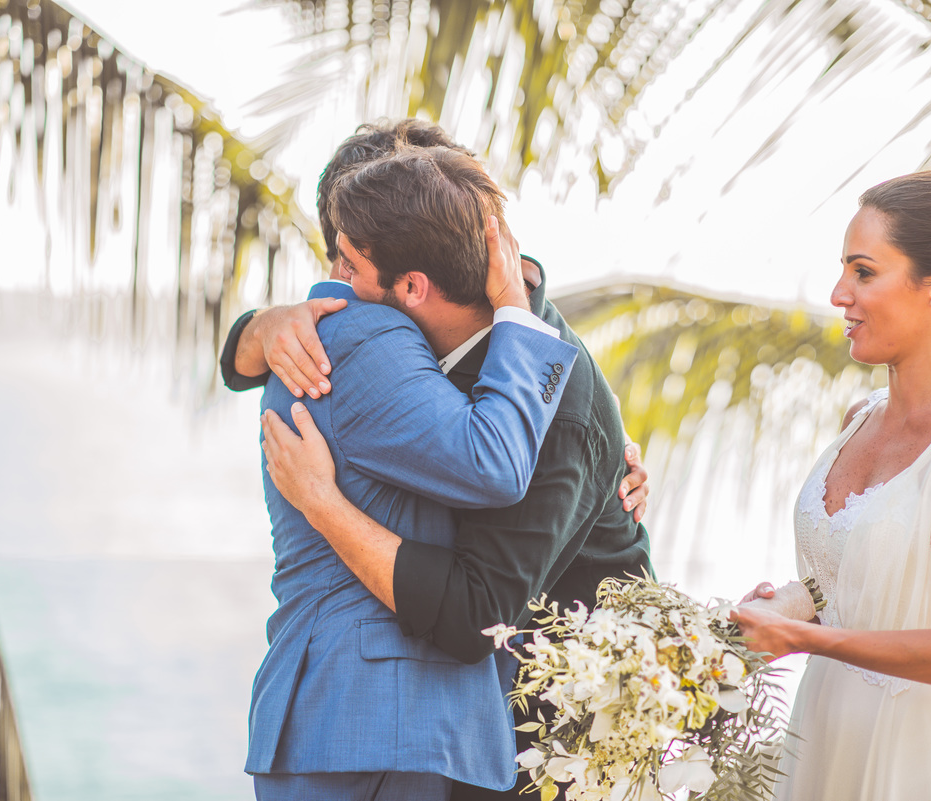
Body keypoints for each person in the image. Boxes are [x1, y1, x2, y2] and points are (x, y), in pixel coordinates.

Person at [258, 145, 656, 799]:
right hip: (471, 729)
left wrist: (321, 501)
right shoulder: (429, 345)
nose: (334, 285)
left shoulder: (555, 410)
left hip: (559, 741)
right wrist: (259, 329)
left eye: (348, 263)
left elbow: (475, 611)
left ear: (413, 286)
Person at [730, 170, 931, 800]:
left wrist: (802, 639)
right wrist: (791, 606)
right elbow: (864, 584)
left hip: (922, 756)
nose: (839, 294)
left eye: (864, 272)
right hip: (824, 734)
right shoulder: (860, 418)